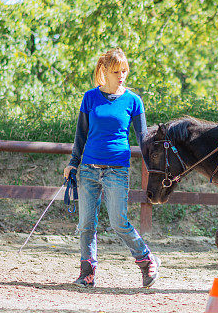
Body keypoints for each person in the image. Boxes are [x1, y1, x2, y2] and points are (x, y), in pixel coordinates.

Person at [63, 47, 159, 288]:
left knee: (118, 221)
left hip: (117, 169)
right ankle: (87, 272)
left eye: (124, 70)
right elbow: (81, 134)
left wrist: (155, 168)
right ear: (104, 71)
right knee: (86, 223)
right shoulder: (90, 98)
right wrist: (73, 163)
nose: (121, 75)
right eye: (116, 71)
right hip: (88, 169)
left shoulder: (133, 101)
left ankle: (146, 260)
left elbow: (143, 138)